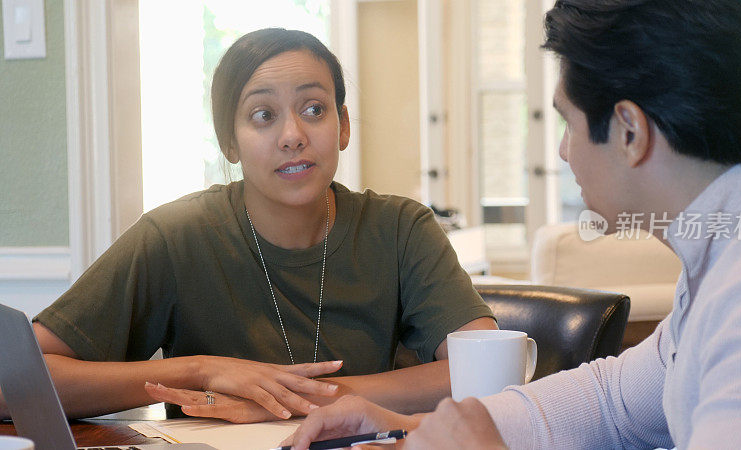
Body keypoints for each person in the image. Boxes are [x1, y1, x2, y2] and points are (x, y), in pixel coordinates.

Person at [284, 0, 741, 448]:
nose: (561, 149)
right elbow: (614, 401)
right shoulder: (737, 234)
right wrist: (418, 427)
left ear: (629, 132)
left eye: (567, 122)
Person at [0, 28, 496, 424]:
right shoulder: (176, 236)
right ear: (229, 143)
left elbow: (491, 371)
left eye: (314, 109)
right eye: (263, 115)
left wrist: (300, 398)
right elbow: (10, 383)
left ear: (342, 126)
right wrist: (201, 371)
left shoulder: (400, 228)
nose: (292, 135)